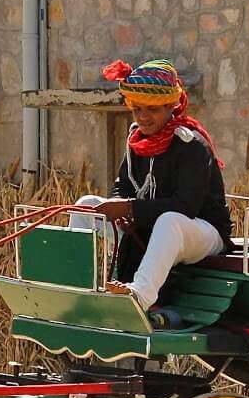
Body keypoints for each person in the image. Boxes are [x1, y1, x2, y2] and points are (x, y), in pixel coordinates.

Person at [73, 59, 233, 312]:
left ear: (171, 105)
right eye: (137, 110)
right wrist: (119, 207)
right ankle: (77, 285)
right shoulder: (136, 139)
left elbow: (185, 207)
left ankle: (140, 295)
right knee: (86, 206)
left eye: (152, 109)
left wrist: (130, 209)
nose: (144, 117)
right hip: (150, 224)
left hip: (203, 231)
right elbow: (123, 185)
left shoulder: (191, 145)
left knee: (169, 221)